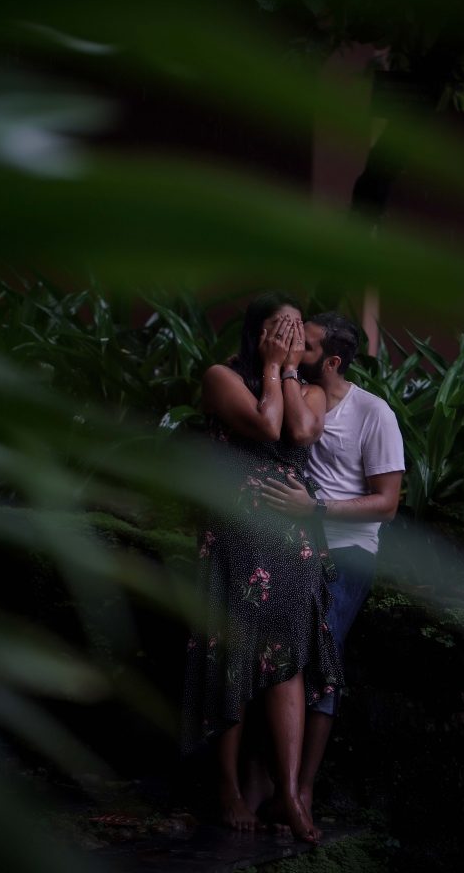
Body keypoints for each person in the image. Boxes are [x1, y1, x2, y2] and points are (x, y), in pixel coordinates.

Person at [181, 293, 343, 844]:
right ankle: (227, 787)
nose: (294, 337)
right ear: (257, 331)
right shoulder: (221, 377)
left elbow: (299, 432)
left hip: (291, 542)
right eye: (283, 328)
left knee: (288, 664)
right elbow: (268, 426)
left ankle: (292, 795)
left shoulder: (313, 389)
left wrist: (289, 370)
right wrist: (272, 368)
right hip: (235, 534)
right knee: (232, 654)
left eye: (300, 330)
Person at [261, 311, 404, 819]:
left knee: (322, 660)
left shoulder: (374, 414)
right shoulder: (296, 391)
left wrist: (316, 509)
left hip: (346, 552)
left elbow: (387, 503)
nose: (298, 345)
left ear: (334, 361)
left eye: (310, 344)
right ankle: (273, 782)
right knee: (276, 655)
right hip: (289, 543)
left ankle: (302, 789)